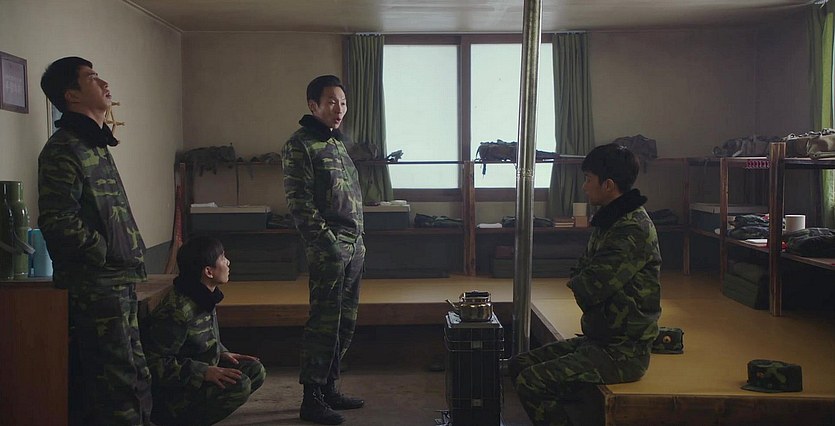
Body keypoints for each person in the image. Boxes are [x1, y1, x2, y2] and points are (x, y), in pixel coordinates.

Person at [510, 143, 662, 426]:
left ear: (608, 185)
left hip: (622, 352)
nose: (584, 186)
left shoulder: (631, 228)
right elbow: (584, 271)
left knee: (532, 381)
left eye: (588, 179)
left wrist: (581, 280)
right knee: (519, 364)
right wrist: (581, 278)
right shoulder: (611, 220)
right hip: (599, 340)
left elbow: (590, 288)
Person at [38, 56, 151, 425]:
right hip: (97, 285)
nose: (103, 84)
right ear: (71, 95)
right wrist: (104, 252)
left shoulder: (94, 144)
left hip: (119, 280)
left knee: (136, 375)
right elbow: (57, 221)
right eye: (91, 78)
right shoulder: (64, 148)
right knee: (116, 385)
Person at [282, 75, 366, 425]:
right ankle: (311, 398)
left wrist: (358, 242)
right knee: (324, 323)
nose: (339, 109)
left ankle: (329, 387)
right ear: (313, 105)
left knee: (345, 322)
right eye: (331, 102)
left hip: (354, 245)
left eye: (343, 102)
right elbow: (300, 204)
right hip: (329, 247)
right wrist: (329, 245)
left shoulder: (337, 142)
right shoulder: (300, 144)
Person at [140, 235, 266, 425]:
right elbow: (153, 363)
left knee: (254, 370)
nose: (228, 262)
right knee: (239, 386)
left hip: (198, 371)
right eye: (222, 258)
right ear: (208, 271)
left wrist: (221, 352)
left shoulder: (203, 294)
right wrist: (203, 371)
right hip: (175, 393)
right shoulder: (177, 311)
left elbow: (201, 337)